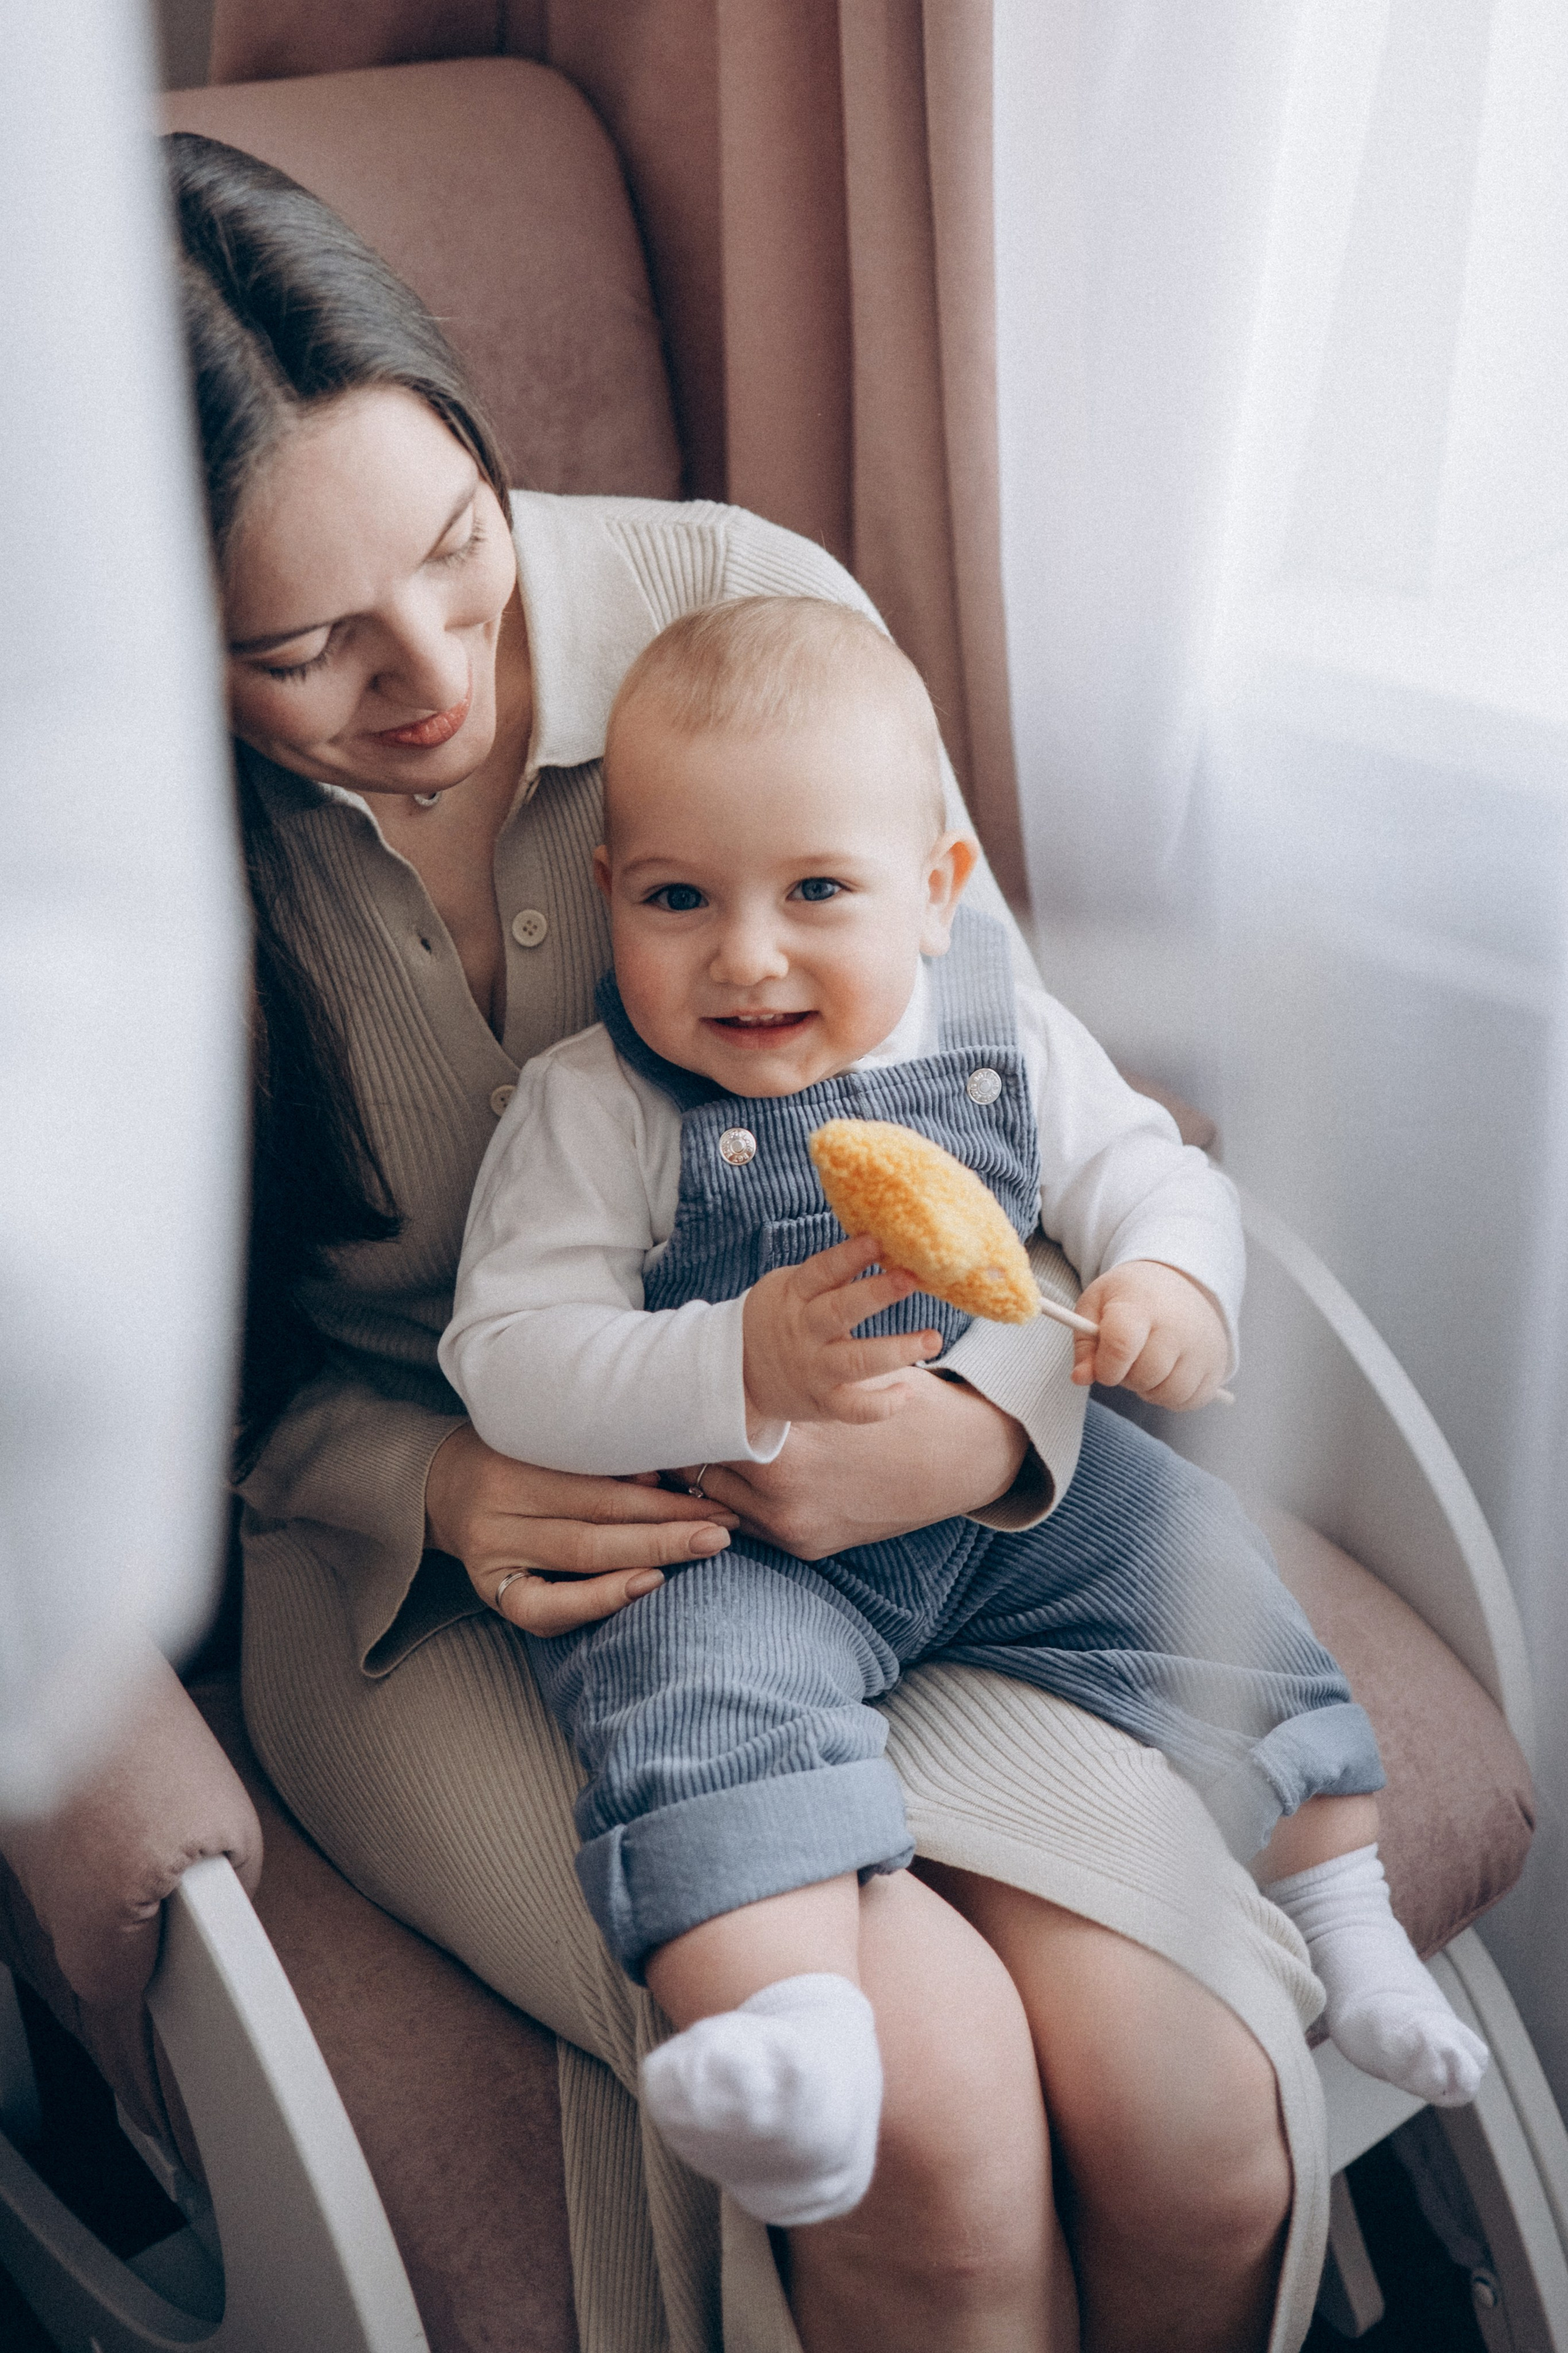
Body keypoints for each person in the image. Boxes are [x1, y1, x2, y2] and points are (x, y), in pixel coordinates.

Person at [172, 123, 1332, 2352]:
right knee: (926, 2122)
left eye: (459, 549)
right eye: (307, 648)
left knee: (1200, 2119)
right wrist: (425, 1474)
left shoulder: (738, 601)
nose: (432, 680)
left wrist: (991, 1426)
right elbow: (140, 1393)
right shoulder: (104, 849)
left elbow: (1008, 1105)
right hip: (468, 1569)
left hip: (907, 1494)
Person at [439, 595, 1486, 2226]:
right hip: (747, 1541)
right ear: (608, 900)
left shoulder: (1006, 1036)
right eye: (677, 898)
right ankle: (798, 2043)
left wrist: (1173, 1286)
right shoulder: (600, 1106)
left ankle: (1345, 1924)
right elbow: (508, 1350)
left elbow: (1153, 1174)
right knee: (699, 1713)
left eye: (817, 892)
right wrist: (733, 1363)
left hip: (1006, 1503)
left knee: (1211, 1588)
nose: (747, 952)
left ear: (934, 895)